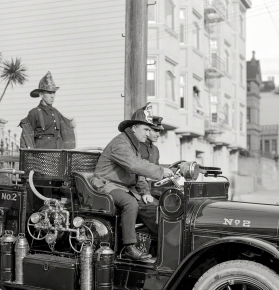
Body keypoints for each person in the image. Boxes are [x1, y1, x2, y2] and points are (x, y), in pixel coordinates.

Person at [92, 108, 174, 264]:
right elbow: (135, 165)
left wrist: (145, 192)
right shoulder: (120, 144)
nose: (148, 133)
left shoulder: (133, 144)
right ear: (134, 128)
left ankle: (165, 245)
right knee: (130, 204)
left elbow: (138, 173)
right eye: (146, 129)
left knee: (154, 207)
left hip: (125, 188)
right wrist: (161, 171)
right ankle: (130, 247)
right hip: (106, 184)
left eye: (150, 129)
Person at [19, 71, 75, 149]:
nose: (52, 96)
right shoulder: (34, 113)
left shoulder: (56, 112)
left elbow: (65, 130)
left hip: (57, 154)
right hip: (41, 156)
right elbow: (28, 137)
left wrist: (71, 124)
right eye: (49, 92)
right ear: (41, 95)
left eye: (53, 92)